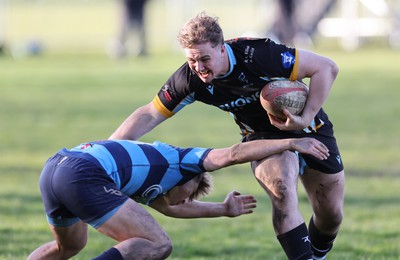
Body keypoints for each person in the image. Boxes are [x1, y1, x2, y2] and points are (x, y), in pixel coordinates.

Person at [109, 12, 344, 260]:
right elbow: (149, 114)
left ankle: (317, 255)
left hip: (311, 128)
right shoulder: (189, 79)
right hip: (261, 136)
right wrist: (108, 150)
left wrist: (305, 117)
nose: (199, 67)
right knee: (282, 192)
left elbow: (326, 67)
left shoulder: (258, 55)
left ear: (222, 49)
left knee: (330, 215)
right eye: (192, 60)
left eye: (205, 58)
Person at [28, 137, 329, 259]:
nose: (186, 200)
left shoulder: (149, 183)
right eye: (191, 194)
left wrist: (223, 209)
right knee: (159, 244)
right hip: (83, 173)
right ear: (193, 179)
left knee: (69, 246)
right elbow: (234, 154)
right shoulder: (186, 161)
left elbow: (171, 208)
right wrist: (291, 142)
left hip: (56, 167)